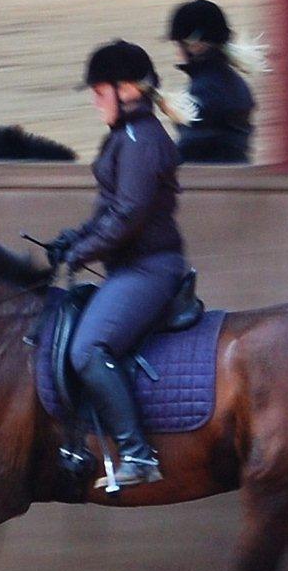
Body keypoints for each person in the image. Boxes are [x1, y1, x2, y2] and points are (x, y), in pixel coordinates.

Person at [46, 40, 193, 490]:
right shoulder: (124, 138)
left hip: (149, 270)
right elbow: (109, 210)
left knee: (88, 348)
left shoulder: (141, 140)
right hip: (130, 268)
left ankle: (137, 453)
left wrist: (82, 252)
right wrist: (75, 237)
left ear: (126, 88)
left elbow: (128, 217)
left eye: (98, 90)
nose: (94, 100)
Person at [167, 0, 263, 164]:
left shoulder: (205, 89)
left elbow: (191, 148)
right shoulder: (233, 81)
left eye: (179, 44)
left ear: (196, 45)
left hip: (210, 183)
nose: (177, 53)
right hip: (230, 179)